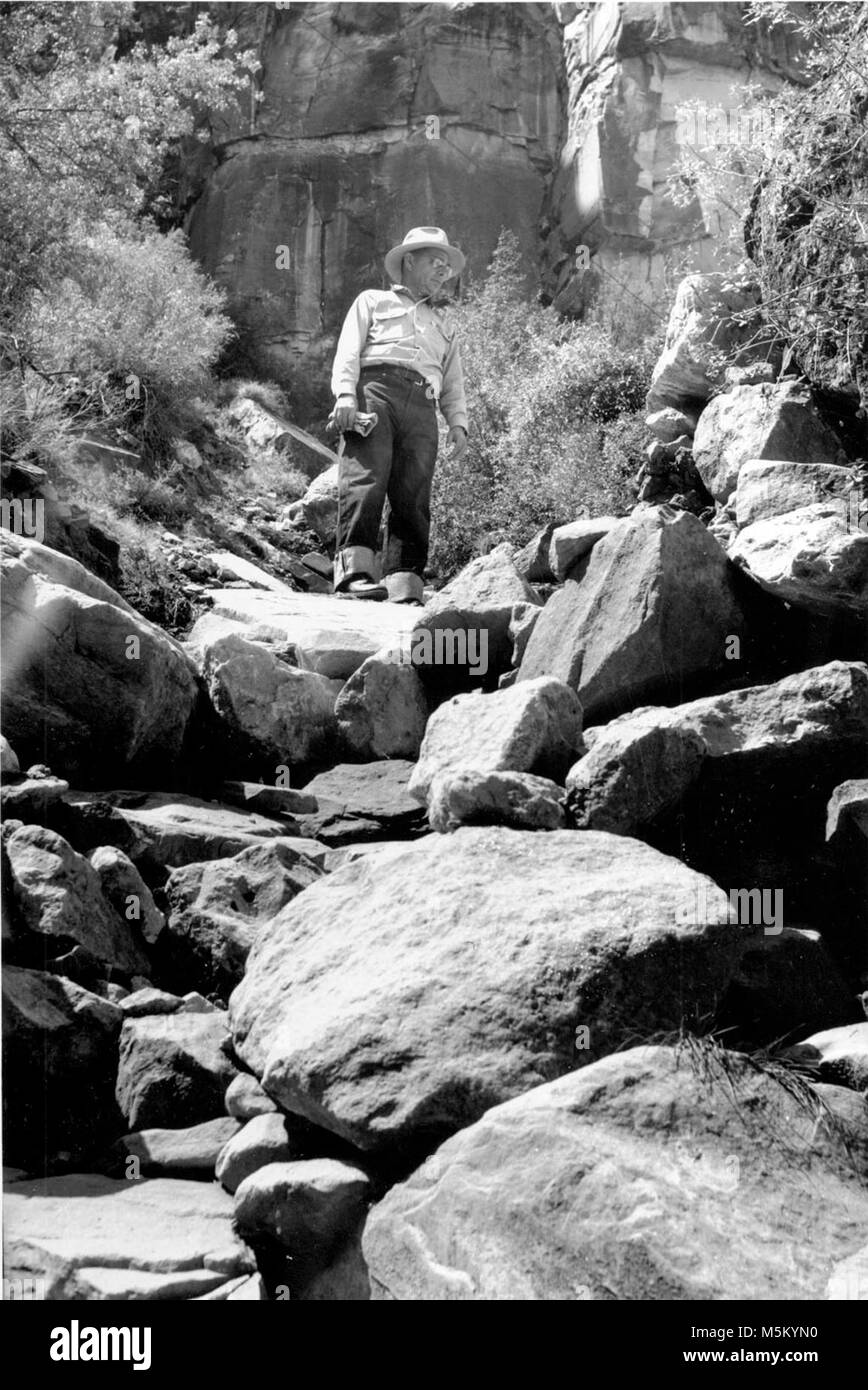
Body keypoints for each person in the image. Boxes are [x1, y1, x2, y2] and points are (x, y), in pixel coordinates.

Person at [329, 226, 469, 603]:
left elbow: (453, 380)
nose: (443, 271)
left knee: (414, 493)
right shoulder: (372, 301)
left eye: (446, 266)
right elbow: (348, 351)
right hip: (375, 391)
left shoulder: (444, 324)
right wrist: (345, 395)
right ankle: (354, 574)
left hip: (424, 402)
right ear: (409, 260)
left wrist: (458, 422)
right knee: (366, 477)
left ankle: (405, 585)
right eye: (435, 262)